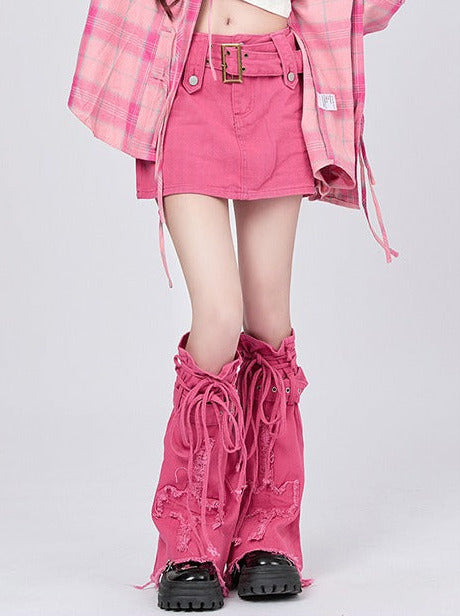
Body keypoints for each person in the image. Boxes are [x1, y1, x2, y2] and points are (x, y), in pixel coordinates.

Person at [67, 0, 406, 610]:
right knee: (219, 315)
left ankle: (267, 533)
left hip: (279, 81)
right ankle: (190, 537)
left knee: (269, 323)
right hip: (187, 85)